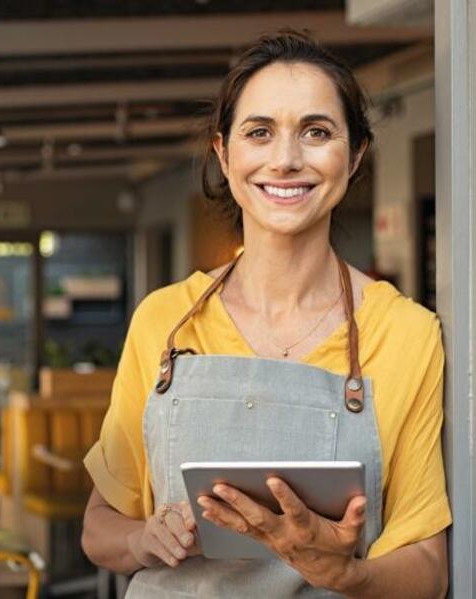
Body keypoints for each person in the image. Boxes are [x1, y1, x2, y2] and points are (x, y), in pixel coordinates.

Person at [81, 31, 449, 598]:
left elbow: (427, 567)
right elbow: (99, 526)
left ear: (353, 157)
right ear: (225, 154)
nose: (285, 160)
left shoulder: (404, 334)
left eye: (316, 132)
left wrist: (347, 573)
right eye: (260, 133)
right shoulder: (165, 321)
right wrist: (144, 540)